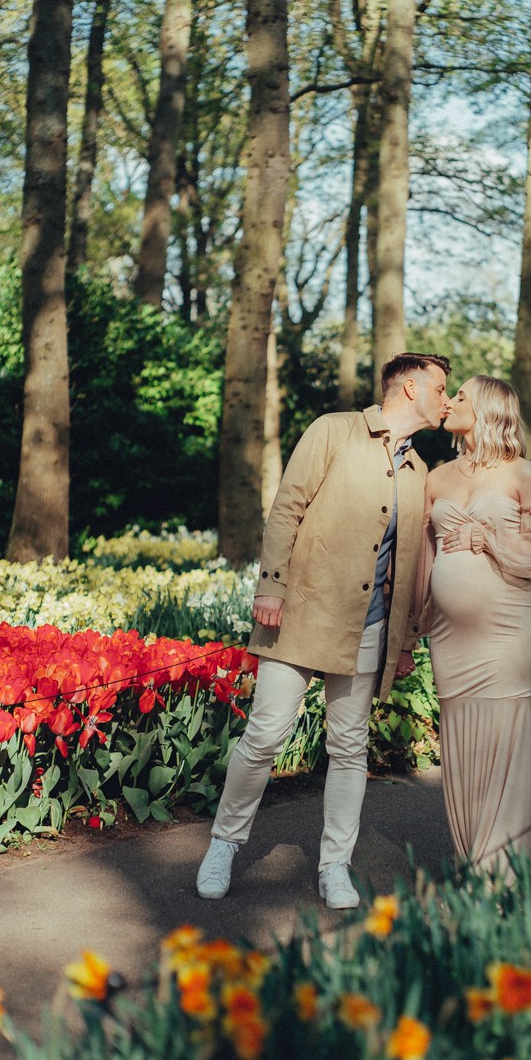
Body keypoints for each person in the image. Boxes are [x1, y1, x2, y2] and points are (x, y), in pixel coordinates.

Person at [196, 352, 452, 908]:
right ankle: (223, 844)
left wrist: (404, 641)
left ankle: (335, 866)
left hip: (372, 628)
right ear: (409, 388)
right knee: (265, 733)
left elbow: (407, 565)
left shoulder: (419, 472)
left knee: (349, 746)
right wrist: (271, 585)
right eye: (439, 388)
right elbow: (286, 509)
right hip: (302, 614)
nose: (446, 400)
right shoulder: (333, 431)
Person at [415, 375, 531, 874]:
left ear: (487, 408)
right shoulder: (436, 478)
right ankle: (473, 859)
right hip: (451, 641)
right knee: (461, 753)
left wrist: (489, 540)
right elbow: (422, 563)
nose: (450, 400)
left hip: (506, 635)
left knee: (503, 752)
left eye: (460, 395)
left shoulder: (523, 473)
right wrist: (411, 627)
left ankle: (500, 874)